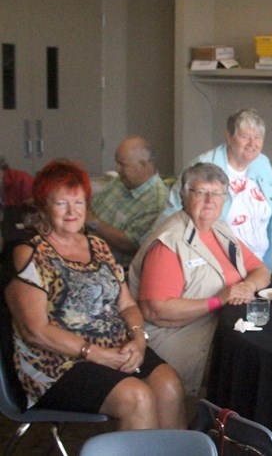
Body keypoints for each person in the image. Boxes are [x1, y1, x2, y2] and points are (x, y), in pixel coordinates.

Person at [4, 159, 185, 429]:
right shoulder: (28, 253)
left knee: (169, 384)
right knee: (137, 397)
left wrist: (138, 339)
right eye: (61, 203)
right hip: (56, 363)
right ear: (42, 207)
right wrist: (95, 353)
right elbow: (35, 330)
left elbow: (126, 305)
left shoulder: (98, 246)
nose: (71, 212)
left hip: (116, 347)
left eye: (78, 203)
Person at [128, 162, 270, 396]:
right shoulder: (169, 242)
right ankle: (219, 424)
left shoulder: (220, 229)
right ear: (184, 196)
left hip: (220, 325)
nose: (210, 200)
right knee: (251, 369)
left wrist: (248, 286)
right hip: (180, 336)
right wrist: (218, 300)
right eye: (201, 192)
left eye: (217, 193)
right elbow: (156, 310)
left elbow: (261, 270)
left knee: (262, 355)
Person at [162, 108, 272, 270]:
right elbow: (172, 212)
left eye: (258, 137)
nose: (252, 144)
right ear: (229, 136)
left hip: (258, 264)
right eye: (245, 137)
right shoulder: (204, 165)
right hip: (216, 265)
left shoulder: (262, 163)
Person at [86, 137, 169, 268]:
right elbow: (93, 206)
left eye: (122, 164)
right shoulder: (121, 181)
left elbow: (132, 245)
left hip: (110, 267)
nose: (117, 169)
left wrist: (94, 222)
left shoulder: (157, 201)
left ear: (143, 164)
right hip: (84, 247)